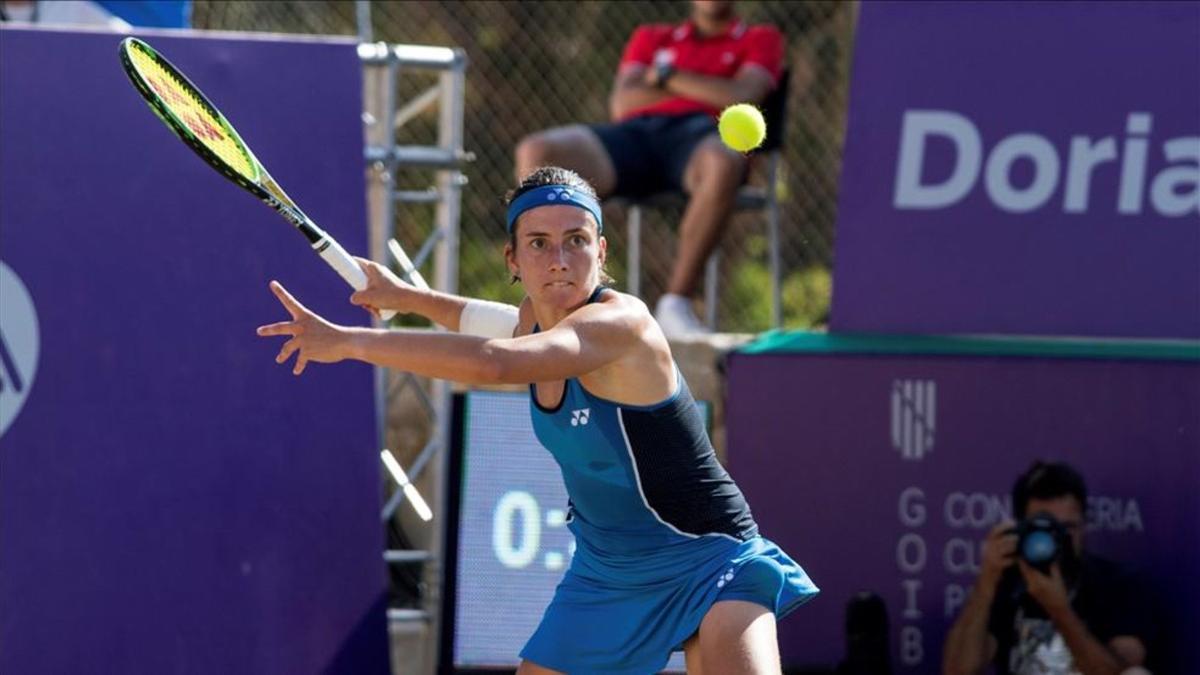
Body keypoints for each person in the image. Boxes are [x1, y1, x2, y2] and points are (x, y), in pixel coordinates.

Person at [257, 166, 818, 674]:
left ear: (601, 251)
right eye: (539, 244)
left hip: (709, 557)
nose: (559, 259)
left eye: (576, 241)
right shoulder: (534, 322)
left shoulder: (622, 325)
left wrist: (350, 342)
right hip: (606, 573)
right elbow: (490, 323)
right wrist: (409, 295)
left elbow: (494, 360)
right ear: (513, 260)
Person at [513, 0, 785, 337]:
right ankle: (556, 299)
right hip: (635, 137)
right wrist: (710, 89)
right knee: (537, 150)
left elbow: (742, 95)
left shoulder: (762, 38)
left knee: (724, 161)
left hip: (700, 139)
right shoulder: (652, 36)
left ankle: (676, 304)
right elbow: (624, 103)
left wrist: (666, 77)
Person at [942, 461, 1151, 675]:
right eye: (1045, 529)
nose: (1057, 540)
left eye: (1067, 528)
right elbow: (958, 670)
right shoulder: (1007, 584)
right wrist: (986, 580)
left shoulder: (1119, 584)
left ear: (1084, 526)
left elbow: (1116, 673)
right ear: (1021, 528)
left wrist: (1059, 610)